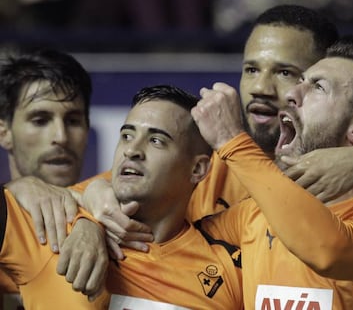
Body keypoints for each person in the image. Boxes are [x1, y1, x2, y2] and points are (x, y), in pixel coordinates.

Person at [190, 36, 353, 309]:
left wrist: (233, 143)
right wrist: (123, 218)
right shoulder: (254, 213)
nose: (290, 94)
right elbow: (170, 240)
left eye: (318, 87)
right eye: (301, 81)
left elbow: (330, 251)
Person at [1, 85, 243, 309]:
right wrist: (18, 186)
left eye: (156, 141)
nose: (132, 150)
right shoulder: (52, 229)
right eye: (126, 136)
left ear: (197, 169)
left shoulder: (228, 270)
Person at [0, 47, 92, 309]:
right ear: (4, 132)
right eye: (40, 120)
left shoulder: (118, 218)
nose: (61, 137)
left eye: (73, 120)